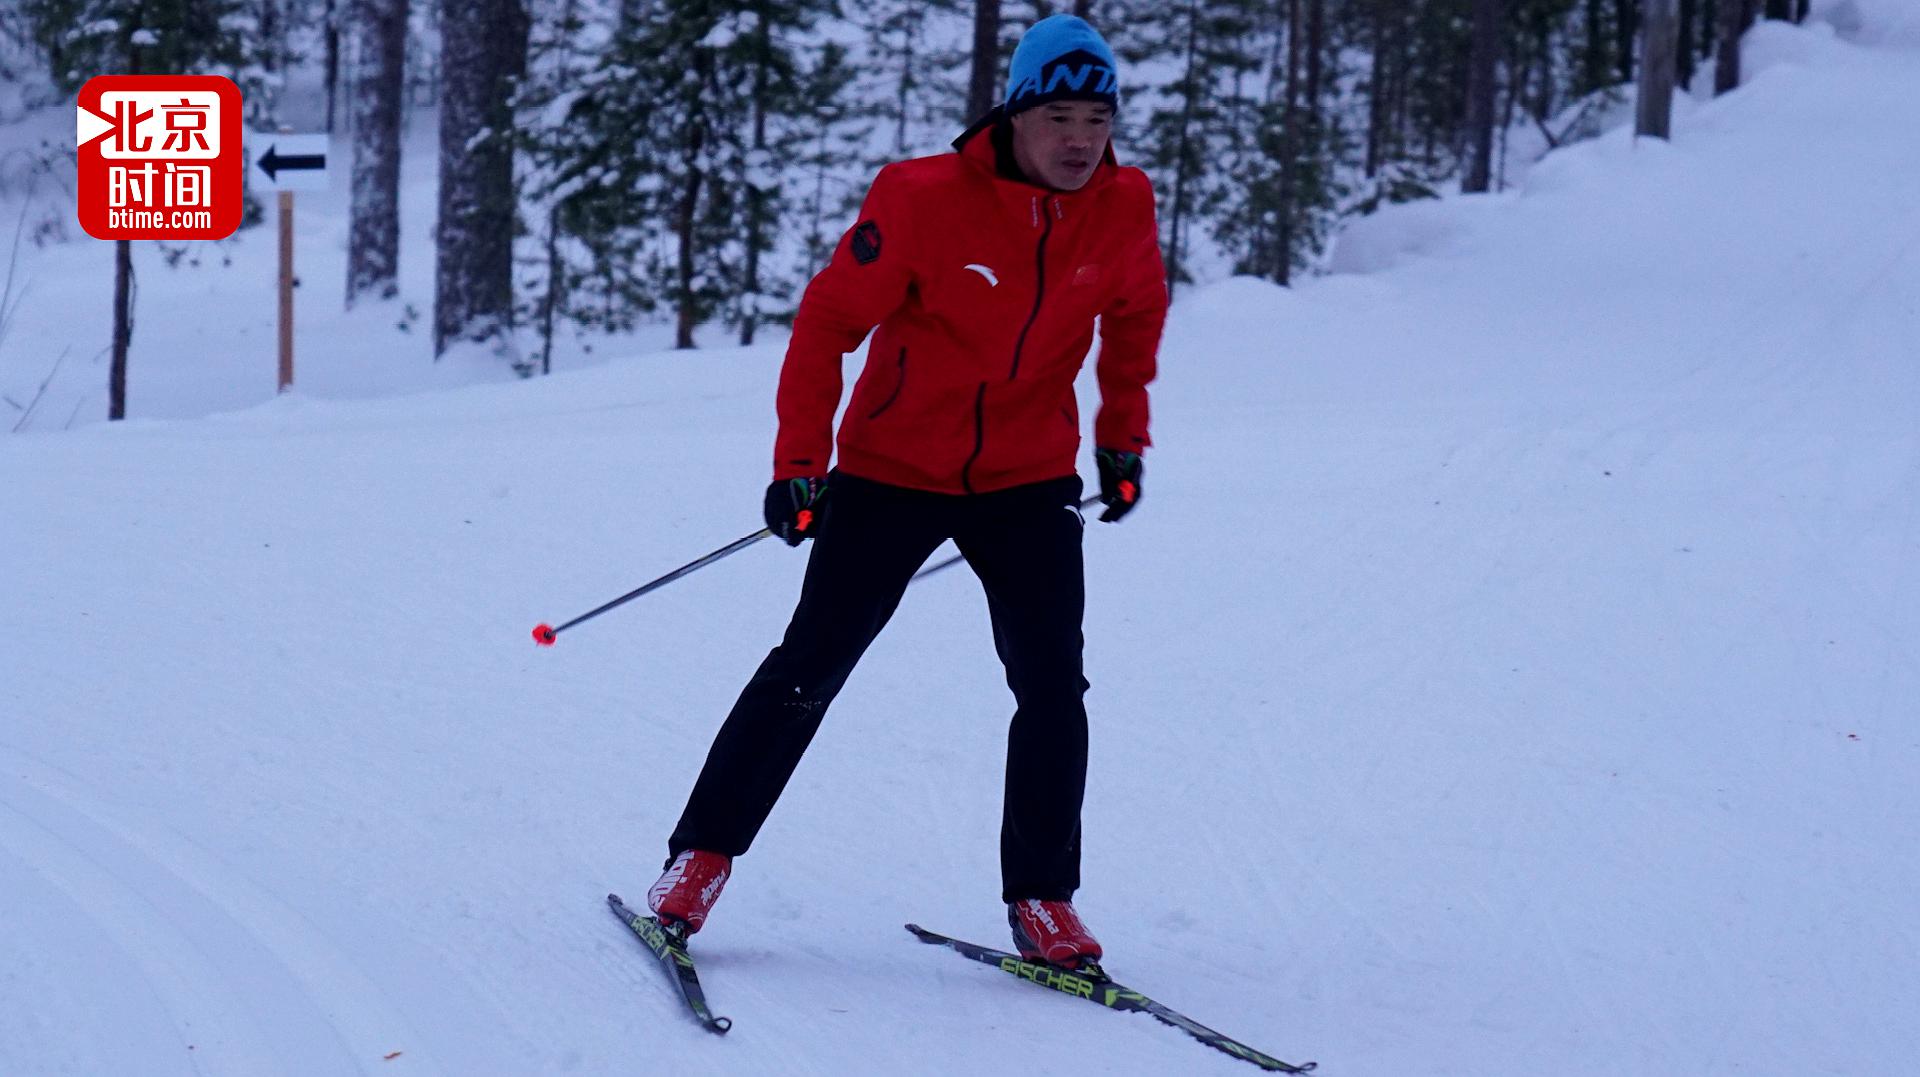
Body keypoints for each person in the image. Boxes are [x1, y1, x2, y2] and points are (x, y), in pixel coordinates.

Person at [647, 13, 1167, 970]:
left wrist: (1121, 440)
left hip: (1027, 475)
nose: (1080, 137)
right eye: (1059, 113)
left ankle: (1044, 897)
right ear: (1014, 114)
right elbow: (828, 321)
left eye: (1098, 116)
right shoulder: (922, 197)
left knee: (1054, 685)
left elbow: (1134, 321)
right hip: (893, 469)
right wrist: (799, 459)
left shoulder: (1124, 205)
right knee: (810, 666)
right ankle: (699, 860)